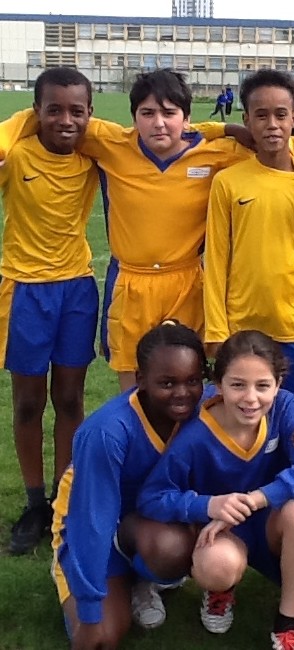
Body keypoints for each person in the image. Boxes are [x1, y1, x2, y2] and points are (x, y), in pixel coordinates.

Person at [5, 69, 255, 393]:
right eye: (147, 113)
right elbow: (39, 117)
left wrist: (223, 129)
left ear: (187, 118)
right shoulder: (111, 143)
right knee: (133, 393)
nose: (158, 123)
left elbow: (274, 152)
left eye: (169, 113)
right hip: (130, 283)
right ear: (134, 118)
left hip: (187, 283)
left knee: (186, 386)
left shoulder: (219, 153)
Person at [136, 330, 294, 650]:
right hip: (223, 531)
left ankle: (289, 622)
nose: (250, 398)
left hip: (271, 523)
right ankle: (220, 590)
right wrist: (207, 505)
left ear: (278, 384)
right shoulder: (195, 434)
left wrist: (255, 500)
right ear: (218, 384)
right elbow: (152, 496)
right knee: (216, 566)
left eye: (262, 385)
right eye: (238, 385)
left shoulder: (285, 409)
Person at [51, 321, 211, 649]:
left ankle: (142, 580)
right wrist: (90, 612)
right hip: (89, 530)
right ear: (140, 380)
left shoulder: (207, 409)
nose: (183, 393)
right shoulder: (107, 431)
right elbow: (91, 522)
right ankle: (100, 580)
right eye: (167, 383)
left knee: (170, 547)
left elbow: (263, 398)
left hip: (148, 527)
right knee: (101, 638)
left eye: (193, 380)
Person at [0, 67, 99, 555]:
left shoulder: (92, 156)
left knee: (70, 399)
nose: (65, 120)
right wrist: (19, 122)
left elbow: (151, 138)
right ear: (35, 111)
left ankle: (63, 495)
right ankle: (35, 503)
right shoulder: (16, 154)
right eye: (53, 110)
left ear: (89, 114)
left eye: (76, 111)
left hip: (77, 290)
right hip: (25, 292)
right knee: (27, 403)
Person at [203, 69, 294, 409]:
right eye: (261, 115)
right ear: (247, 120)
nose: (272, 125)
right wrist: (217, 330)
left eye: (281, 115)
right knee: (241, 414)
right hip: (241, 327)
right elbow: (216, 259)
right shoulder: (228, 182)